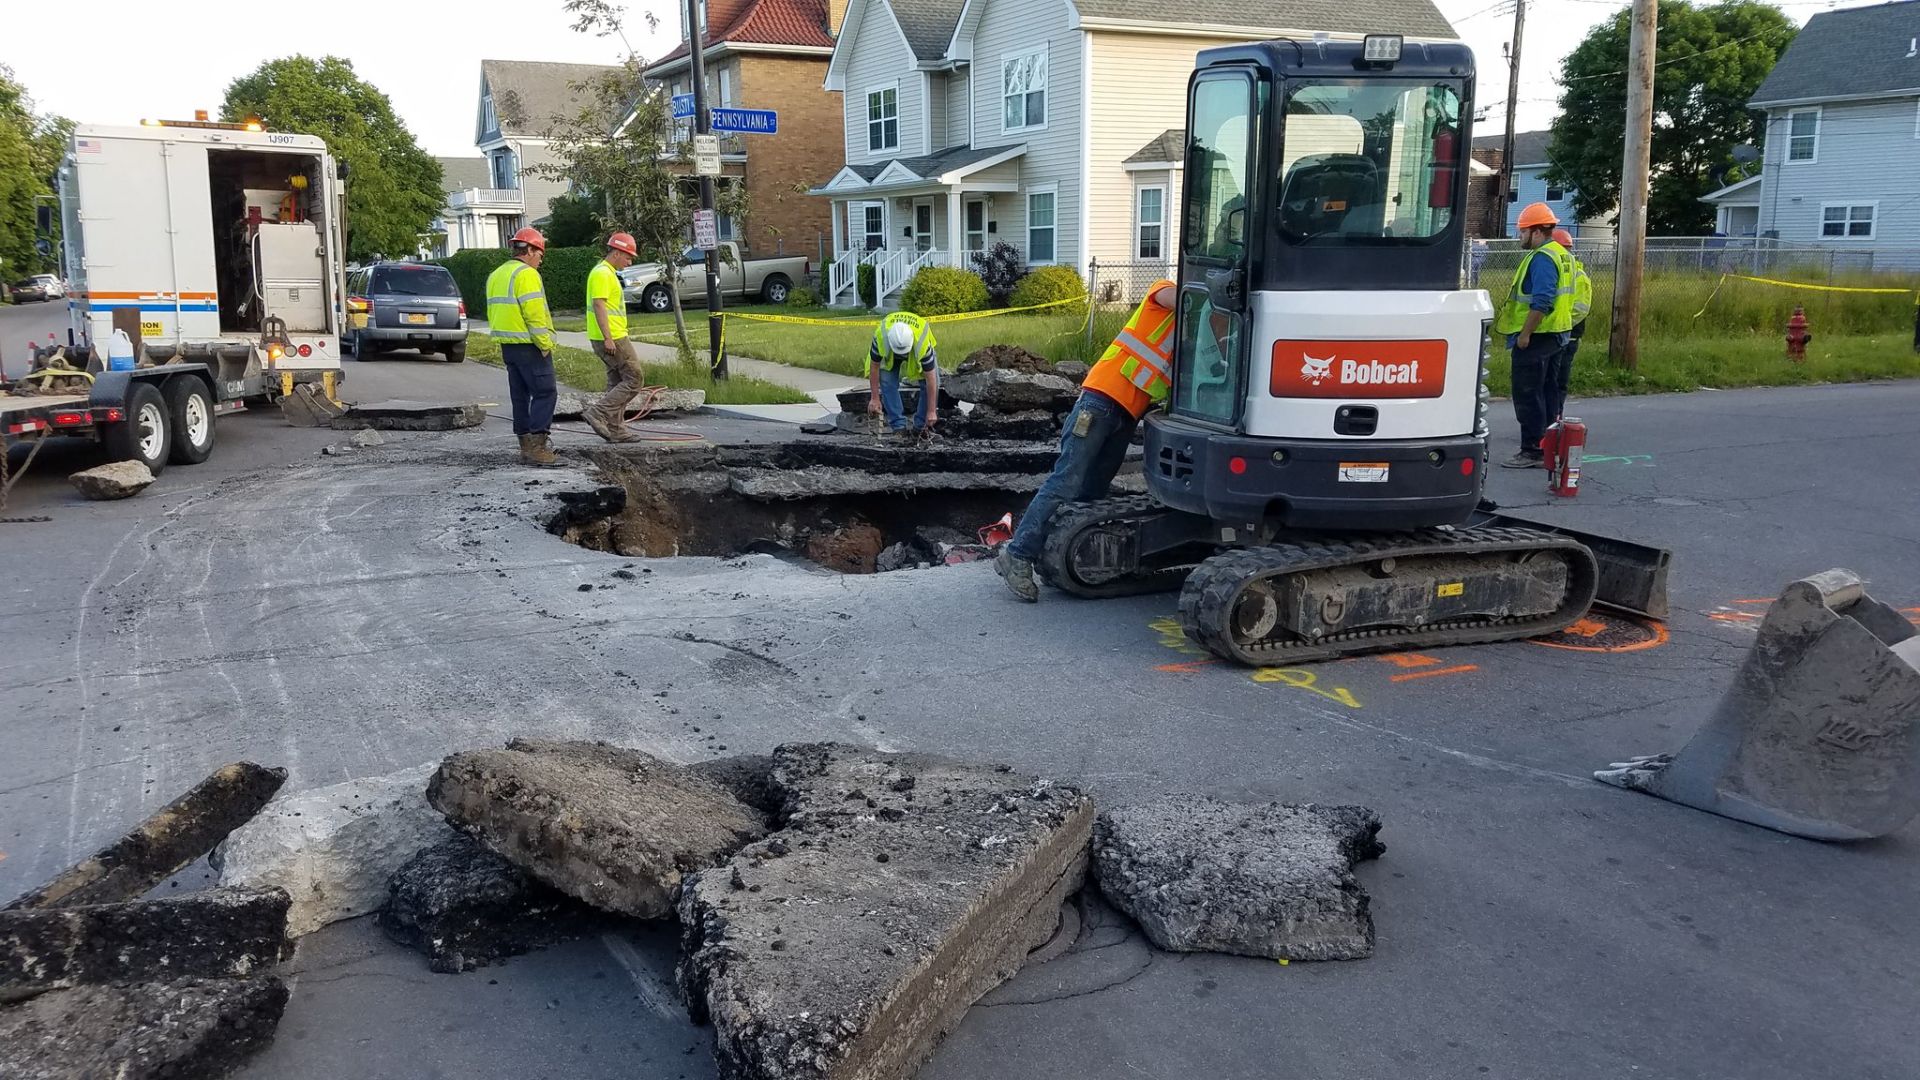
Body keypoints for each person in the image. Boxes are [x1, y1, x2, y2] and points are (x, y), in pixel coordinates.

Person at [996, 279, 1177, 602]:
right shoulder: (1162, 293)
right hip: (1100, 400)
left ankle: (1056, 555)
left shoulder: (1186, 335)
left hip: (1124, 415)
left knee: (1093, 489)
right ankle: (1018, 554)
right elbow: (1180, 296)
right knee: (1066, 481)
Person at [1494, 203, 1576, 469]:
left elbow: (1542, 300)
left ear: (1537, 232)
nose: (1520, 237)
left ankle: (1532, 450)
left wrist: (1525, 334)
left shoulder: (1542, 257)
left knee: (1528, 394)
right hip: (1558, 334)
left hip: (1538, 336)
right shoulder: (1562, 255)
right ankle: (1549, 447)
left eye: (1522, 232)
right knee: (1548, 393)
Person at [487, 227, 560, 466]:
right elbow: (534, 314)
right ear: (529, 250)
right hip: (530, 345)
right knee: (545, 392)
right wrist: (545, 343)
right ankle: (538, 448)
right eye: (539, 254)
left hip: (508, 346)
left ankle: (525, 447)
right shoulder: (526, 275)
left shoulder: (497, 274)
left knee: (520, 396)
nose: (540, 259)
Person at [584, 232, 643, 444]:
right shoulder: (603, 274)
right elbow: (599, 305)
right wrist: (608, 338)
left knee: (617, 380)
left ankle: (616, 429)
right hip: (614, 337)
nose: (629, 262)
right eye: (628, 257)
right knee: (635, 379)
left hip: (608, 336)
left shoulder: (605, 272)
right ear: (617, 253)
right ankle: (598, 413)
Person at [866, 311, 940, 436]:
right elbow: (874, 367)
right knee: (887, 382)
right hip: (890, 351)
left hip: (916, 350)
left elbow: (931, 380)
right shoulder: (881, 337)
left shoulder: (922, 344)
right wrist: (874, 398)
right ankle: (898, 428)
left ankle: (921, 428)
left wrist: (932, 411)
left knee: (927, 385)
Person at [1547, 227, 1593, 425]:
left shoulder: (1578, 275)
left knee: (1558, 380)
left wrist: (1562, 324)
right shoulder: (1558, 271)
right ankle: (1549, 420)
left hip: (1567, 334)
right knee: (1549, 381)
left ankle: (1556, 419)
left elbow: (1581, 308)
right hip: (1554, 333)